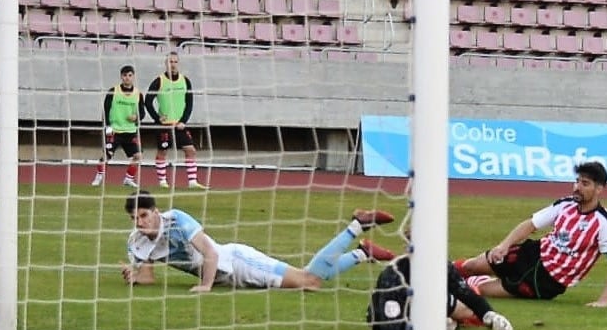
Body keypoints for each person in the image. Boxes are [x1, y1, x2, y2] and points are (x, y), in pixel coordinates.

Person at [123, 193, 396, 292]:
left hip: (237, 261)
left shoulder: (177, 219)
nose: (140, 222)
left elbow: (209, 252)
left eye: (144, 215)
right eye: (135, 218)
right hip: (229, 280)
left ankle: (357, 225)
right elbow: (148, 278)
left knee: (309, 280)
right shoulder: (137, 242)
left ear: (156, 211)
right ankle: (362, 253)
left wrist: (205, 286)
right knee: (312, 282)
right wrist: (134, 276)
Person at [455, 161, 607, 306]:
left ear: (599, 189)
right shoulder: (565, 204)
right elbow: (531, 224)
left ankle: (450, 289)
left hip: (546, 281)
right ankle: (437, 273)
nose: (577, 187)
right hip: (532, 253)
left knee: (479, 290)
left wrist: (604, 300)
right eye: (577, 181)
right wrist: (504, 245)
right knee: (472, 265)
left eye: (585, 184)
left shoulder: (604, 223)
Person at [367, 255, 514, 330]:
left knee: (466, 310)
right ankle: (445, 323)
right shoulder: (393, 277)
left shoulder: (441, 265)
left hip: (428, 304)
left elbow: (465, 293)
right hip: (396, 317)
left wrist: (490, 315)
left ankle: (455, 322)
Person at [144, 51, 206, 190]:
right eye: (170, 62)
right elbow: (148, 101)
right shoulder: (159, 81)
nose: (173, 65)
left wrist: (183, 121)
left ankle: (192, 181)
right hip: (164, 125)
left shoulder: (185, 81)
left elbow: (189, 103)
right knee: (163, 152)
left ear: (179, 64)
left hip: (179, 125)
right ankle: (162, 181)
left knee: (190, 150)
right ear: (166, 64)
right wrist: (157, 118)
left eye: (175, 62)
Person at [92, 65, 145, 188]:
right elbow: (105, 110)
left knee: (138, 156)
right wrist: (107, 128)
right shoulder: (113, 91)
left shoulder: (138, 94)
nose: (127, 78)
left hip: (130, 131)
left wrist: (136, 117)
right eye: (125, 75)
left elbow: (142, 113)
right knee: (107, 154)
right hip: (114, 129)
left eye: (130, 75)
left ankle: (128, 179)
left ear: (133, 77)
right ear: (121, 77)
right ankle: (99, 176)